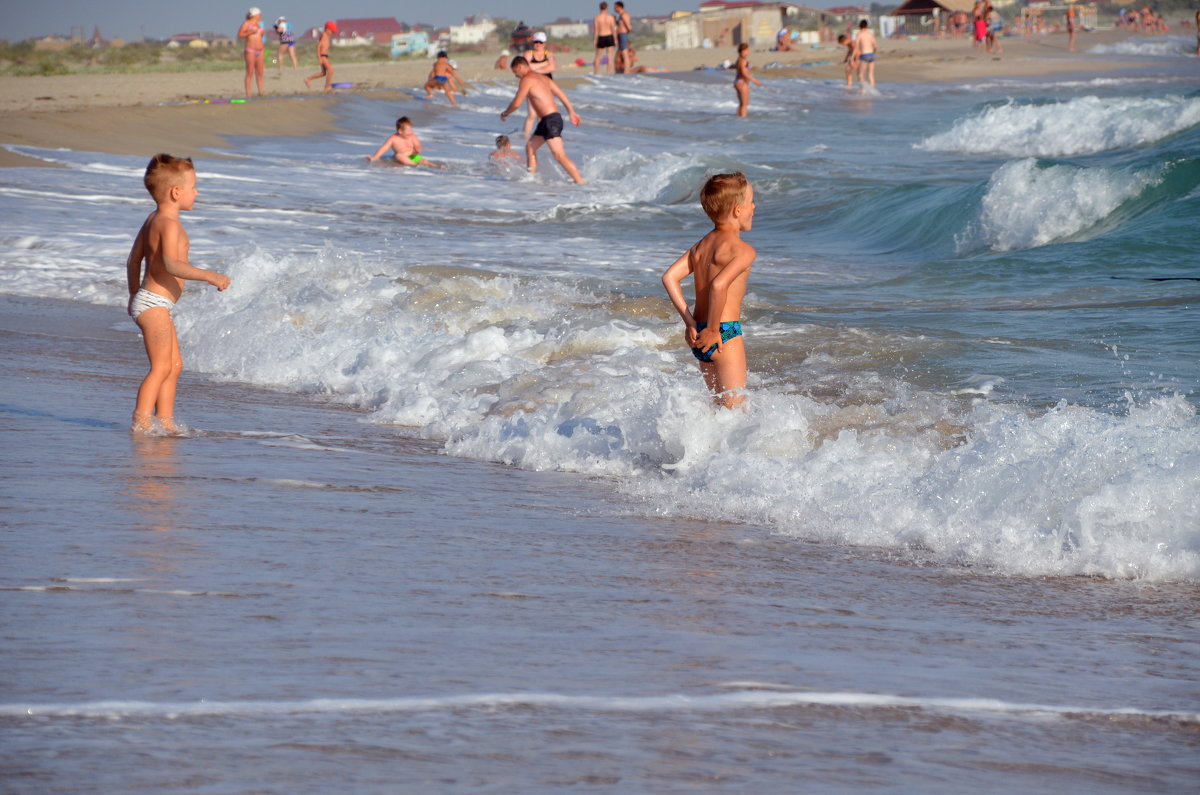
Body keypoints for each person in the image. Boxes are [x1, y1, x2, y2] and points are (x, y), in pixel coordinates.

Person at [125, 154, 231, 434]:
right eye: (194, 187)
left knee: (174, 365)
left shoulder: (153, 219)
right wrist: (211, 275)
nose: (197, 192)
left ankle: (166, 421)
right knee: (160, 367)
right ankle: (141, 422)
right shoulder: (169, 225)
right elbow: (172, 264)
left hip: (152, 303)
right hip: (154, 304)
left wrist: (133, 296)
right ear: (176, 192)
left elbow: (133, 260)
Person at [661, 172, 757, 409]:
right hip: (723, 333)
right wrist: (714, 329)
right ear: (737, 210)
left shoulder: (701, 246)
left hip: (699, 334)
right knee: (734, 411)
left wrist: (690, 322)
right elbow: (718, 285)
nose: (754, 207)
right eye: (751, 202)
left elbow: (669, 277)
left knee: (717, 410)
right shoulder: (743, 250)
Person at [500, 55, 585, 184]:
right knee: (530, 147)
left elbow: (517, 103)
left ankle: (580, 182)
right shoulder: (543, 78)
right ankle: (530, 179)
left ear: (520, 66)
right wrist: (571, 111)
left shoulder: (526, 79)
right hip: (548, 120)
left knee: (559, 155)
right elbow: (561, 94)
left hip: (550, 120)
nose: (516, 75)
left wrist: (506, 113)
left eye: (515, 72)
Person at [366, 116, 446, 168]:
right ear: (400, 131)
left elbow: (418, 146)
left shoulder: (412, 136)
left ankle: (436, 166)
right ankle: (414, 165)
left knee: (423, 161)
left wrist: (417, 149)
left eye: (411, 130)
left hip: (412, 156)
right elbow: (384, 148)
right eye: (408, 130)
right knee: (399, 155)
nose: (410, 132)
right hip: (400, 158)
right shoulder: (393, 139)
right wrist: (374, 157)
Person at [522, 33, 557, 139]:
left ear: (544, 43)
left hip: (546, 87)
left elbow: (552, 68)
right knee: (532, 115)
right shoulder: (528, 54)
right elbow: (526, 68)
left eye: (540, 42)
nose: (537, 44)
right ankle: (525, 138)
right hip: (532, 86)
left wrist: (534, 69)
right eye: (536, 42)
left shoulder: (549, 54)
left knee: (543, 114)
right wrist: (544, 64)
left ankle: (541, 137)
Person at [238, 7, 266, 97]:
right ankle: (248, 95)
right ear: (254, 15)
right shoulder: (247, 23)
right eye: (259, 14)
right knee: (250, 72)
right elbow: (240, 35)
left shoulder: (259, 24)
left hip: (260, 51)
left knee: (260, 73)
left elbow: (260, 37)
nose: (260, 16)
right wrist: (250, 32)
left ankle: (261, 93)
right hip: (250, 50)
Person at [305, 20, 337, 92]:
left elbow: (324, 47)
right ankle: (327, 87)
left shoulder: (326, 36)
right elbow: (318, 46)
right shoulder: (324, 35)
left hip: (325, 56)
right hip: (322, 56)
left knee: (323, 73)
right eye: (332, 31)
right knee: (331, 71)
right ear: (327, 29)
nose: (332, 33)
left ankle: (308, 79)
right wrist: (319, 58)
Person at [733, 43, 761, 117]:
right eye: (747, 50)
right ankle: (743, 120)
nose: (748, 51)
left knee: (741, 104)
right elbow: (744, 73)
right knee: (745, 104)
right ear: (742, 51)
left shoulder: (738, 60)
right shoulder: (743, 61)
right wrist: (755, 81)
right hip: (742, 82)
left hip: (737, 82)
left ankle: (738, 118)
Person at [593, 2, 617, 74]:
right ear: (607, 8)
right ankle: (608, 73)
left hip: (601, 36)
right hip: (609, 36)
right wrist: (615, 39)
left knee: (598, 56)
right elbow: (613, 29)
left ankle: (596, 73)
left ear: (600, 8)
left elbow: (596, 30)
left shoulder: (597, 17)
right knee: (609, 55)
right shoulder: (610, 17)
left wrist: (595, 40)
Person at [852, 20, 877, 89]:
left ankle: (862, 91)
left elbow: (856, 46)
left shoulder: (859, 34)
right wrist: (873, 52)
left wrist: (852, 57)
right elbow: (875, 45)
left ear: (860, 26)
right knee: (871, 74)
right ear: (867, 26)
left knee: (861, 74)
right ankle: (872, 90)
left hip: (864, 55)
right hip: (871, 54)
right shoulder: (870, 34)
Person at [615, 1, 633, 72]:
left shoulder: (624, 15)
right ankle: (624, 70)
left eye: (616, 7)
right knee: (622, 53)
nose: (615, 9)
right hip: (621, 35)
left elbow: (628, 26)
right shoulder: (620, 15)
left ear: (620, 7)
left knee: (625, 54)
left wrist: (627, 31)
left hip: (623, 35)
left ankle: (626, 71)